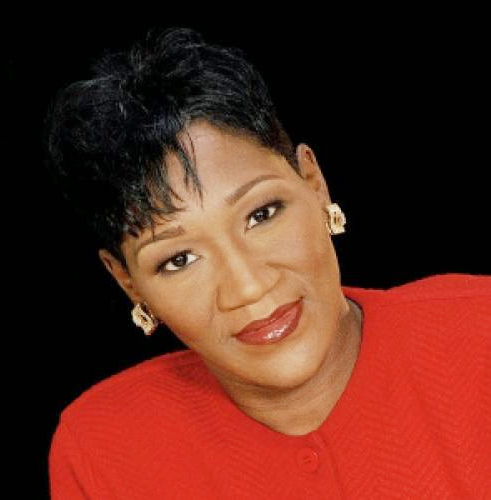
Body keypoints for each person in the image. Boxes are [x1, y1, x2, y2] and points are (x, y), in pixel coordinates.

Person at [45, 26, 490, 499]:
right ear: (127, 281)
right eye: (179, 259)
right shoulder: (103, 451)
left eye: (261, 214)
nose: (248, 287)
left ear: (314, 183)